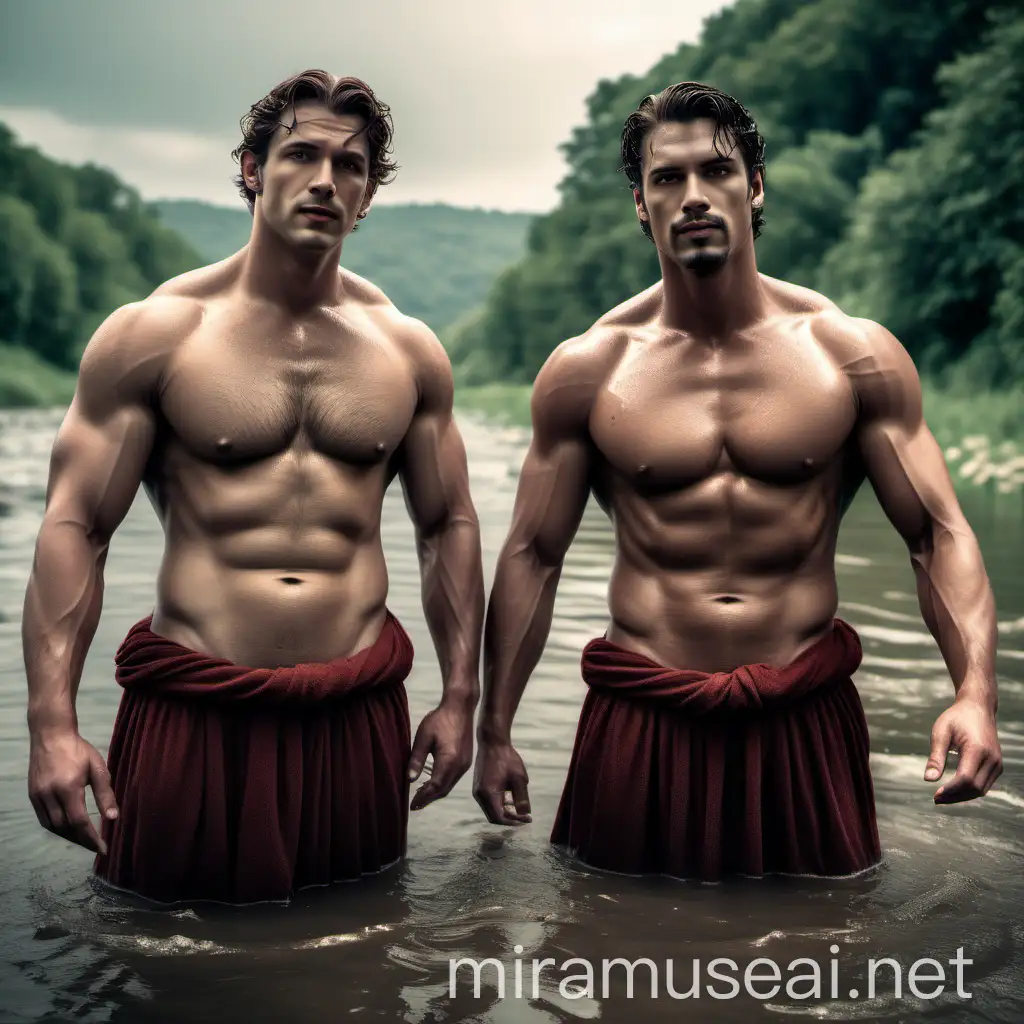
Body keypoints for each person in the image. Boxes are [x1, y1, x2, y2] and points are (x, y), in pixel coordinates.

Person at [472, 82, 1002, 882]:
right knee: (612, 961)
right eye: (665, 178)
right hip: (643, 713)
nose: (692, 196)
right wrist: (494, 731)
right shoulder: (588, 369)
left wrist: (976, 693)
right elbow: (532, 555)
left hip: (802, 713)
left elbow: (936, 534)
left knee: (828, 956)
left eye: (716, 171)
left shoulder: (851, 356)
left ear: (754, 186)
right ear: (640, 204)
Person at [24, 69, 484, 904]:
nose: (324, 181)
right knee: (160, 955)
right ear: (250, 169)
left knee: (360, 952)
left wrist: (461, 700)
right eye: (300, 154)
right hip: (199, 706)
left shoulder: (407, 350)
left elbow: (447, 523)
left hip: (354, 711)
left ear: (370, 194)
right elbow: (75, 528)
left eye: (351, 166)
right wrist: (51, 724)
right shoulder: (156, 334)